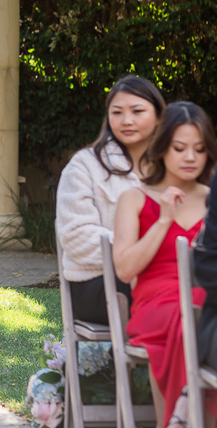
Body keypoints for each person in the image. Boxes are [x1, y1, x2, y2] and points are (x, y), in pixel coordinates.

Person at [113, 102, 217, 427]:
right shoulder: (135, 198)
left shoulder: (212, 198)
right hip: (156, 304)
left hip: (203, 298)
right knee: (193, 310)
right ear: (161, 149)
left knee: (201, 306)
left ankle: (183, 414)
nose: (190, 158)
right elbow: (124, 270)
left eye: (199, 150)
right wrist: (162, 222)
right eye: (180, 148)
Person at [56, 75, 166, 325]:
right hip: (96, 284)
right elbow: (76, 238)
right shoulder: (85, 166)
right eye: (117, 112)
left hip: (163, 276)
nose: (127, 120)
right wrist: (145, 251)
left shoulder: (172, 167)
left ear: (159, 116)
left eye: (137, 111)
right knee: (175, 293)